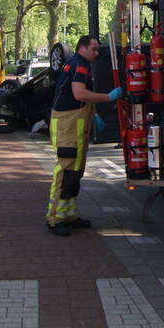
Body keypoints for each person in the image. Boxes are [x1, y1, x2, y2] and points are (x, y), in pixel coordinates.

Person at [45, 35, 122, 236]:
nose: (97, 53)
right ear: (82, 48)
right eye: (94, 49)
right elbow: (79, 94)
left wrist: (94, 114)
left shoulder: (78, 64)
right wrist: (109, 97)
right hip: (69, 123)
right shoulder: (79, 65)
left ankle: (68, 214)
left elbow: (79, 95)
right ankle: (55, 218)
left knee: (75, 171)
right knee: (66, 169)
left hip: (75, 122)